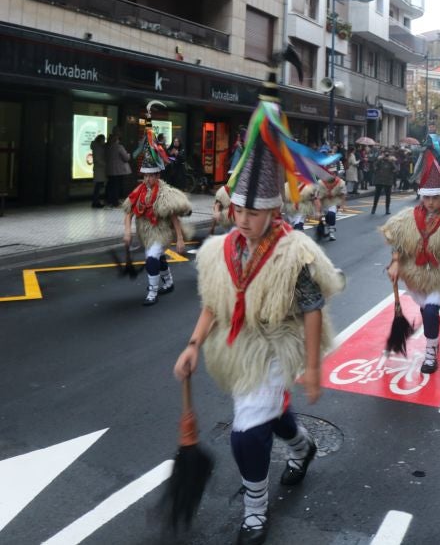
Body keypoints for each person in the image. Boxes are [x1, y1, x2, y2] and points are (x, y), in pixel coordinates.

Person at [173, 66, 344, 545]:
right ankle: (301, 446)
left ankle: (254, 509)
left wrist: (313, 369)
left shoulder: (295, 253)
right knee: (265, 413)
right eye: (239, 211)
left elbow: (312, 309)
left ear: (274, 210)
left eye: (254, 212)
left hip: (275, 346)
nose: (244, 220)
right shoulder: (222, 248)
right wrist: (193, 344)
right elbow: (215, 301)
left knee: (247, 431)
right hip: (239, 347)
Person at [382, 143, 440, 374]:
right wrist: (395, 262)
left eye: (435, 197)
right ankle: (433, 339)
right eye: (427, 198)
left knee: (432, 311)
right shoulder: (408, 218)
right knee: (426, 311)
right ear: (422, 196)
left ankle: (431, 353)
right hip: (417, 275)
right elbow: (398, 242)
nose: (431, 202)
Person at [123, 112, 192, 305]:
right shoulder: (138, 191)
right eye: (145, 176)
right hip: (146, 232)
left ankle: (152, 292)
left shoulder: (164, 192)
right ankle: (168, 282)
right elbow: (128, 211)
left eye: (151, 175)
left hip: (161, 232)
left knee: (152, 258)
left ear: (158, 175)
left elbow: (174, 217)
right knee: (158, 257)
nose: (148, 179)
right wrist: (127, 231)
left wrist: (180, 239)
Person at [316, 165, 346, 241]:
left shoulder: (340, 182)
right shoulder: (321, 183)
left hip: (333, 201)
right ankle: (326, 226)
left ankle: (331, 232)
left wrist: (343, 205)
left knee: (331, 215)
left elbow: (343, 194)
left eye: (333, 173)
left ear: (335, 174)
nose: (331, 175)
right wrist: (318, 210)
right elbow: (318, 197)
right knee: (326, 216)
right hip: (323, 202)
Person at [105, 131, 132, 207]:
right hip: (118, 170)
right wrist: (128, 155)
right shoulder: (119, 147)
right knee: (117, 186)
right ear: (117, 140)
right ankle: (115, 202)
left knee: (110, 186)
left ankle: (109, 201)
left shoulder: (107, 147)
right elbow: (126, 158)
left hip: (109, 170)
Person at [371, 151, 396, 215]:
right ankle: (374, 208)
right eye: (385, 155)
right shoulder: (379, 161)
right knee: (377, 195)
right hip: (379, 180)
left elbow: (395, 169)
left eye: (387, 155)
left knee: (388, 196)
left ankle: (387, 209)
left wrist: (391, 162)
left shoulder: (391, 162)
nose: (386, 157)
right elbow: (374, 166)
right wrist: (379, 160)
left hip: (388, 181)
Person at [90, 133, 107, 208]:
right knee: (98, 187)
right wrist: (105, 164)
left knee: (98, 187)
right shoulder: (97, 148)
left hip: (99, 169)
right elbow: (97, 159)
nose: (104, 141)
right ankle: (96, 202)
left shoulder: (97, 147)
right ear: (100, 140)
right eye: (103, 140)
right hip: (99, 169)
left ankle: (96, 201)